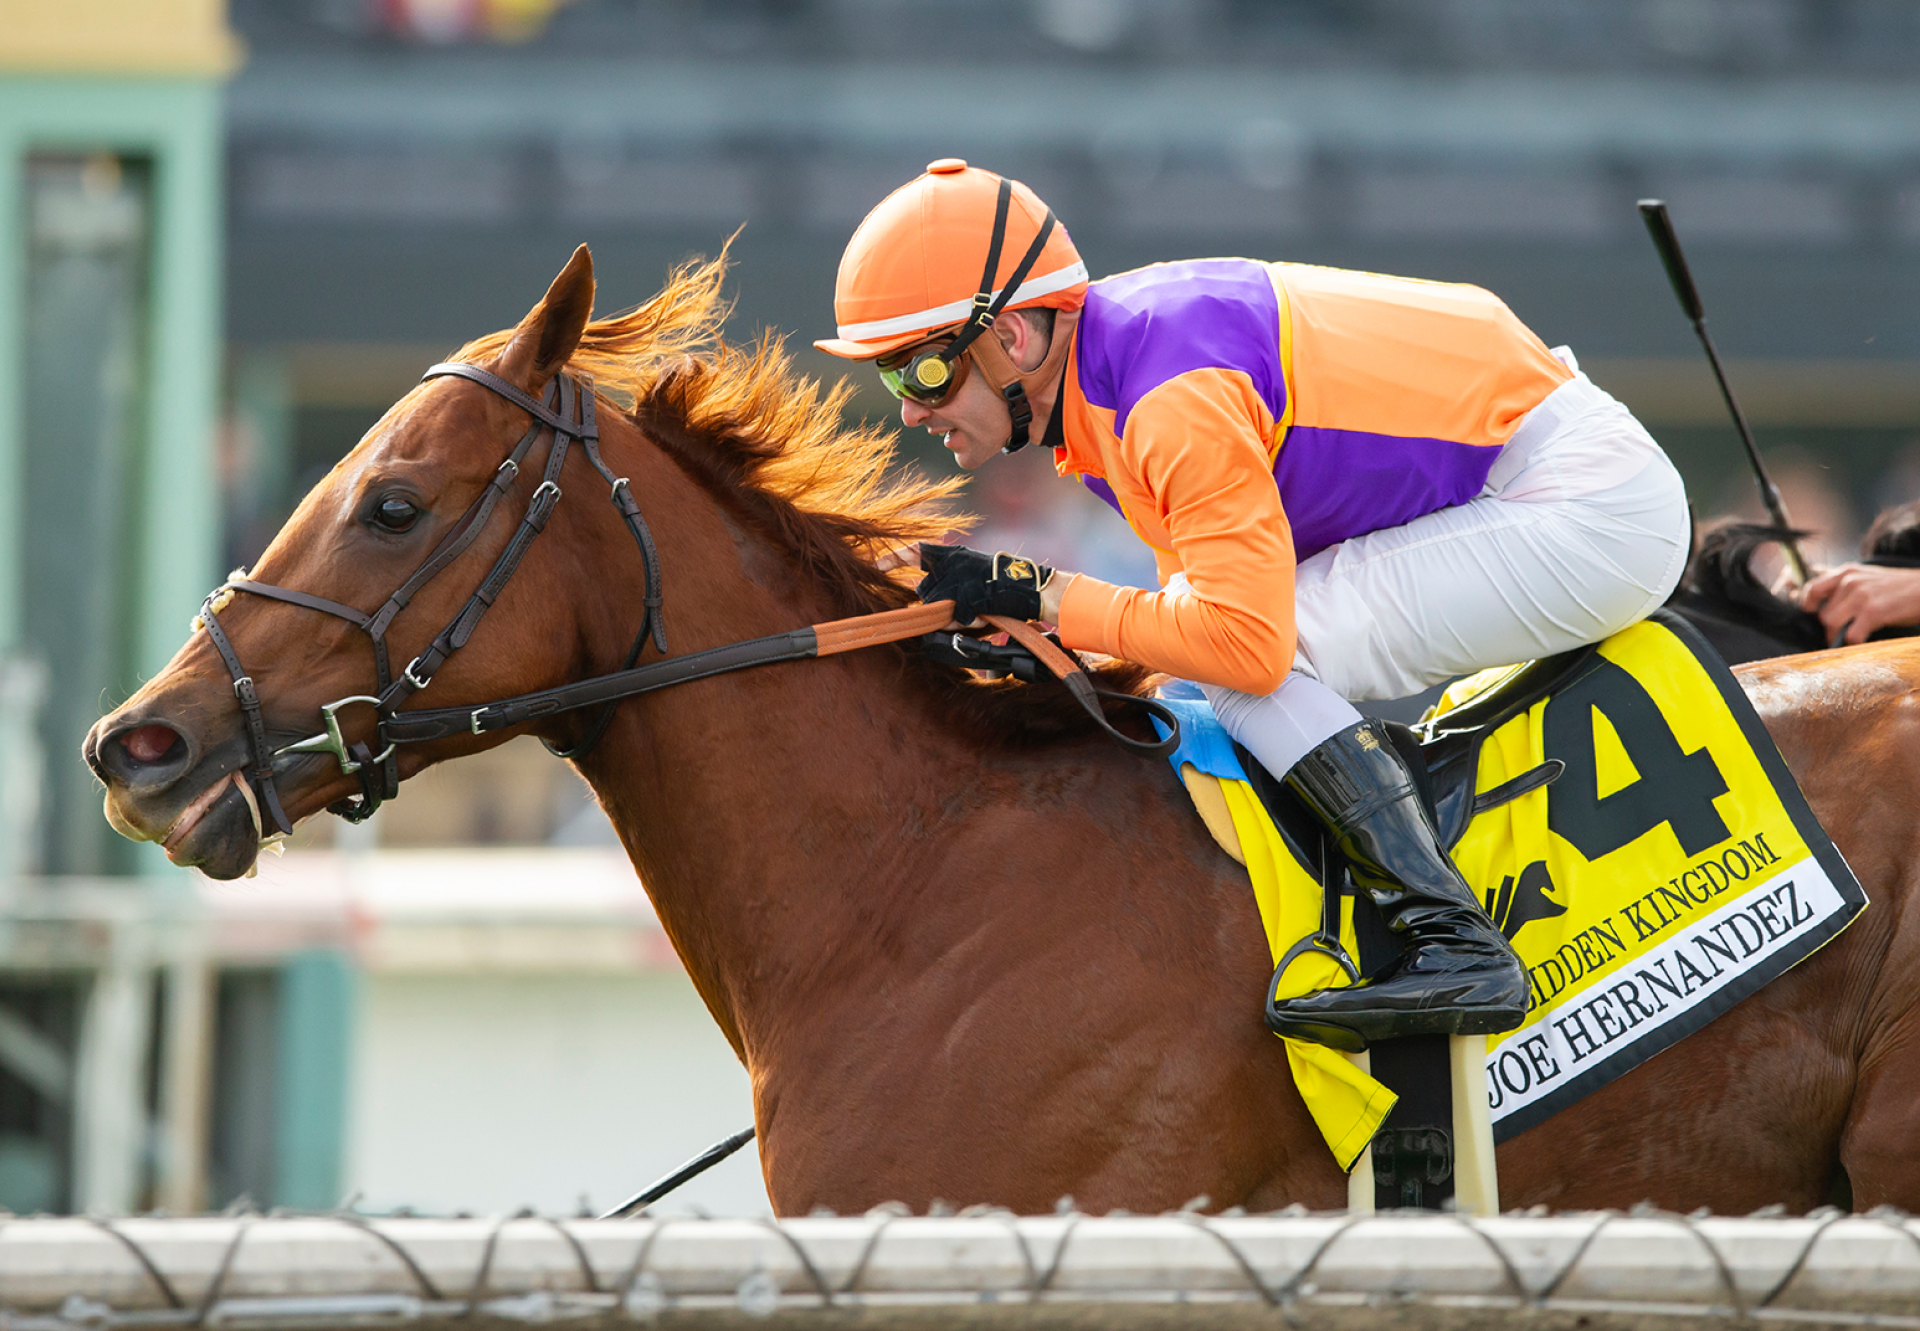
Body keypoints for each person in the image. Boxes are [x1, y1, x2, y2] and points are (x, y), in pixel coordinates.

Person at [814, 159, 1691, 1053]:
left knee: (1243, 671)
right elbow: (1182, 613)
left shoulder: (1165, 399)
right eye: (891, 378)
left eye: (923, 370)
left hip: (1583, 503)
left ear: (1014, 336)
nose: (910, 410)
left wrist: (1043, 593)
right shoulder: (1115, 374)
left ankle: (1454, 939)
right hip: (1538, 471)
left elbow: (1245, 646)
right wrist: (1050, 635)